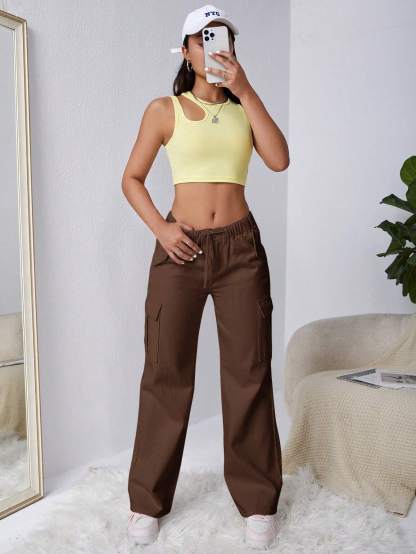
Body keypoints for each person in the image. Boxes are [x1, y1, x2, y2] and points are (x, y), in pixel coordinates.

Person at [121, 4, 289, 549]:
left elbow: (279, 160)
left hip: (241, 251)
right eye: (205, 39)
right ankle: (147, 502)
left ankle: (258, 502)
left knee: (249, 372)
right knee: (165, 373)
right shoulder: (164, 110)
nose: (217, 48)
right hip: (180, 249)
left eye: (224, 40)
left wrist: (247, 88)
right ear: (187, 51)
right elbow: (132, 178)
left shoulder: (244, 110)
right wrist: (161, 230)